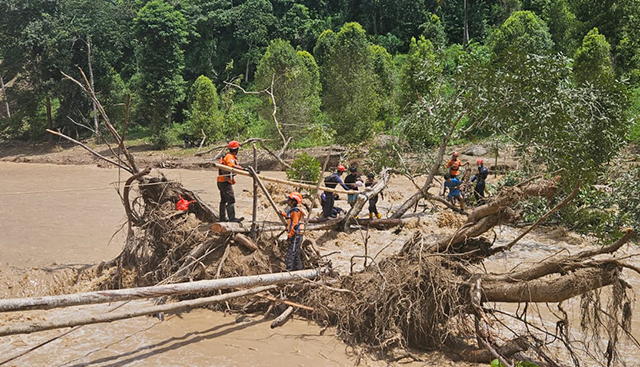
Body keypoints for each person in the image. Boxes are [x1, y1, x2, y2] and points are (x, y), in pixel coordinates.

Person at [217, 140, 244, 222]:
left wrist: (244, 169)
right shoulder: (229, 157)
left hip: (221, 181)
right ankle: (232, 218)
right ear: (236, 150)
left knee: (224, 200)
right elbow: (231, 166)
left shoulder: (227, 156)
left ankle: (222, 218)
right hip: (225, 182)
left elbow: (236, 166)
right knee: (231, 199)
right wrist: (243, 169)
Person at [280, 192, 305, 271]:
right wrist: (282, 214)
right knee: (296, 253)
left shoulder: (295, 212)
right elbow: (289, 216)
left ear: (294, 201)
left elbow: (294, 224)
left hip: (296, 235)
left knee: (290, 254)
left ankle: (288, 271)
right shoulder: (293, 211)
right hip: (298, 235)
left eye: (289, 200)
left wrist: (290, 235)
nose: (288, 201)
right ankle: (299, 270)